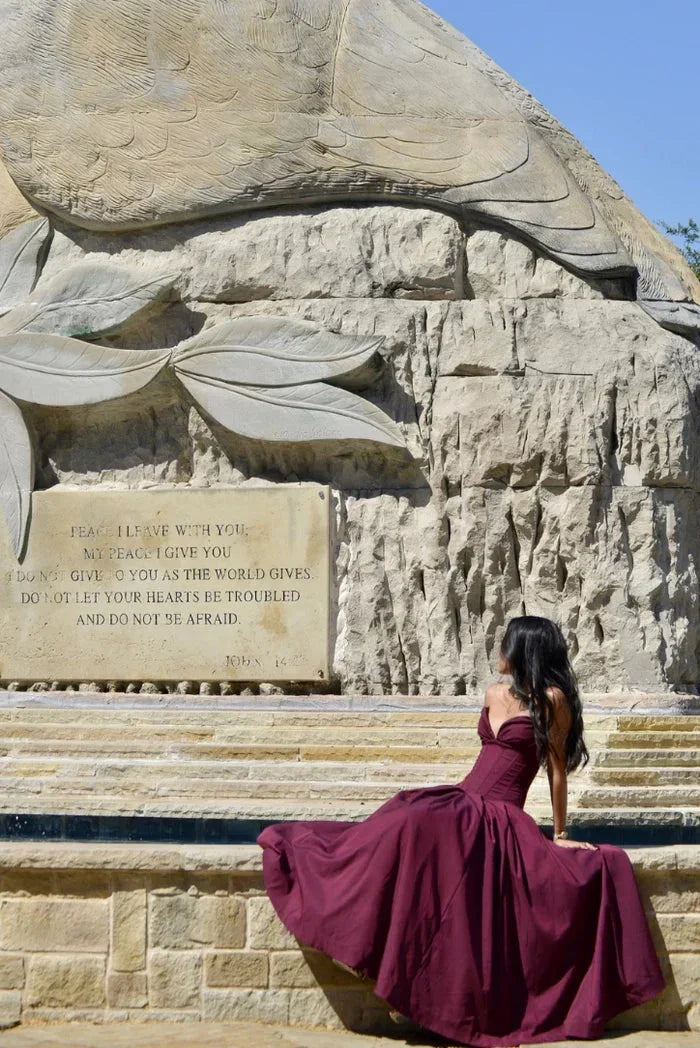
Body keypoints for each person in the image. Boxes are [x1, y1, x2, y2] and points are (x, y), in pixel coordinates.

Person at [257, 616, 665, 1046]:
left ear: (525, 649)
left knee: (426, 846)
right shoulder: (493, 693)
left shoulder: (552, 699)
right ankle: (361, 946)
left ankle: (390, 971)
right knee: (401, 818)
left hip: (501, 815)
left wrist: (560, 832)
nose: (500, 651)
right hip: (461, 801)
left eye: (507, 644)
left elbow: (556, 771)